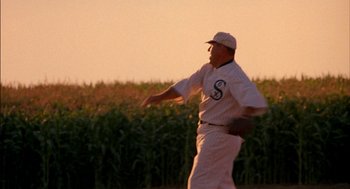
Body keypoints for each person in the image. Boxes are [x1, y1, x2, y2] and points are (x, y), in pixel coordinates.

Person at [141, 32, 268, 189]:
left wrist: (245, 116)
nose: (209, 50)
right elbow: (187, 84)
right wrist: (159, 97)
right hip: (207, 133)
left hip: (221, 135)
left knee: (198, 183)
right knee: (222, 185)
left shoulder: (235, 74)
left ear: (222, 49)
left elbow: (253, 99)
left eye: (213, 46)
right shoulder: (208, 70)